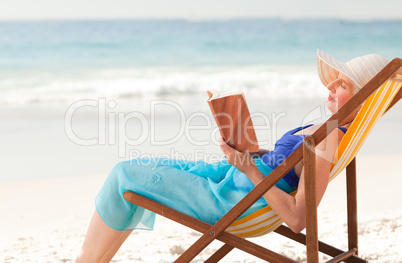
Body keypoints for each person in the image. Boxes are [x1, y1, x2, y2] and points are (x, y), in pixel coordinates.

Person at [75, 50, 390, 263]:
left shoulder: (329, 137)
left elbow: (297, 218)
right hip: (227, 178)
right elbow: (287, 168)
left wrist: (248, 167)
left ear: (364, 99)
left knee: (124, 176)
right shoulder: (328, 129)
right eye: (335, 80)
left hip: (229, 203)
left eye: (344, 83)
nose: (331, 86)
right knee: (138, 169)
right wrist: (249, 150)